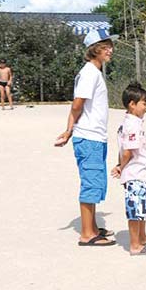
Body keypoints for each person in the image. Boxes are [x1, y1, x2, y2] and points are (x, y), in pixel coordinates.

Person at [53, 29, 119, 247]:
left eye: (110, 46)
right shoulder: (90, 73)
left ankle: (92, 227)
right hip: (89, 137)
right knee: (91, 183)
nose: (110, 50)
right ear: (94, 50)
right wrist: (69, 130)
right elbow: (77, 104)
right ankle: (87, 234)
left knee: (96, 181)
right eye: (105, 47)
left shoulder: (94, 72)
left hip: (95, 137)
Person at [110, 82, 146, 256]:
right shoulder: (132, 125)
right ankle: (135, 245)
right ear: (132, 104)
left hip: (141, 173)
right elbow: (127, 152)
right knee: (135, 210)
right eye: (144, 103)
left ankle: (142, 237)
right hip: (135, 174)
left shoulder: (133, 123)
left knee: (142, 207)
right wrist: (120, 167)